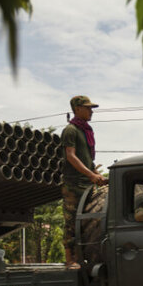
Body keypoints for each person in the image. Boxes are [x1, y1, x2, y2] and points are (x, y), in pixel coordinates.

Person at [60, 95, 107, 269]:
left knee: (87, 221)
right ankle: (69, 259)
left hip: (86, 183)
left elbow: (86, 158)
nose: (91, 111)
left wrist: (96, 174)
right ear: (77, 109)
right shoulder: (71, 130)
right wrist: (90, 175)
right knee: (71, 222)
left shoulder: (85, 130)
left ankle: (82, 257)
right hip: (73, 185)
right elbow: (71, 156)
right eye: (87, 108)